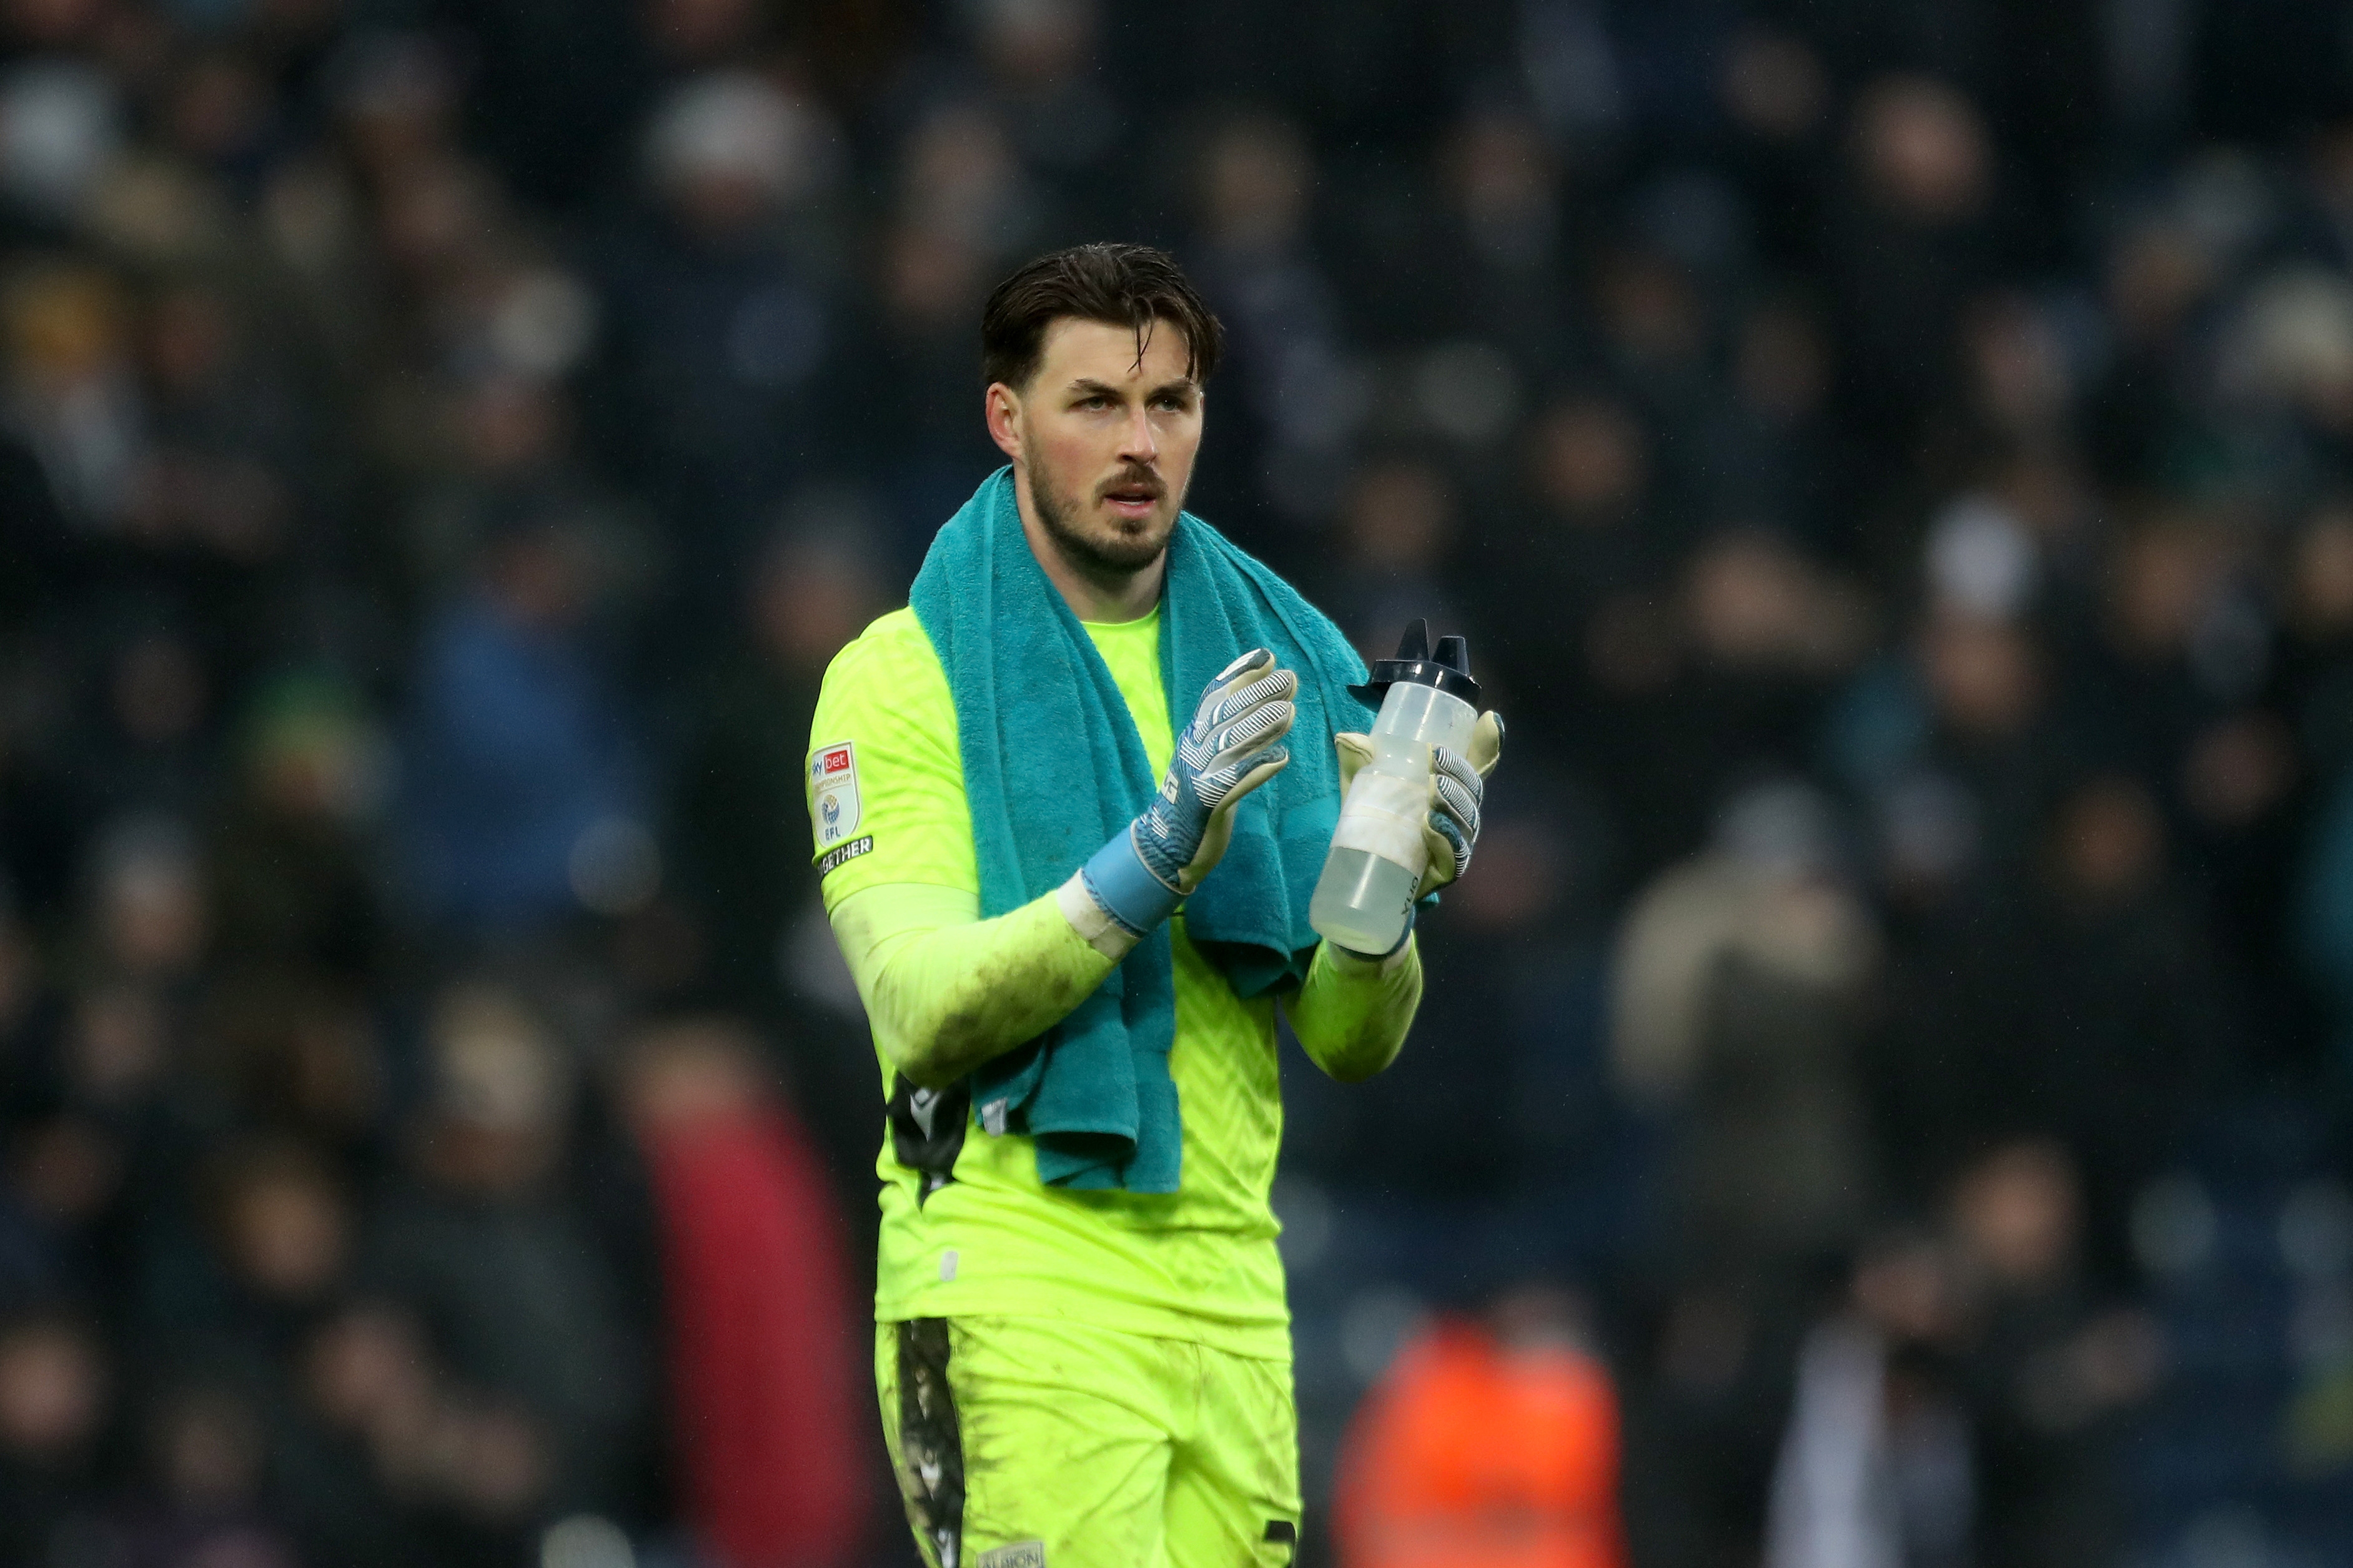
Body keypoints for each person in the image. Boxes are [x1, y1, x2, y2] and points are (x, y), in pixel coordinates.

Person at [806, 243, 1504, 1567]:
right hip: (1021, 1281)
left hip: (1233, 1297)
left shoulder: (1283, 667)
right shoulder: (902, 679)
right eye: (1095, 405)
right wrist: (1161, 846)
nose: (1140, 444)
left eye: (1168, 405)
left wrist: (1387, 898)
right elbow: (923, 1003)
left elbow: (1354, 1040)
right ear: (1008, 419)